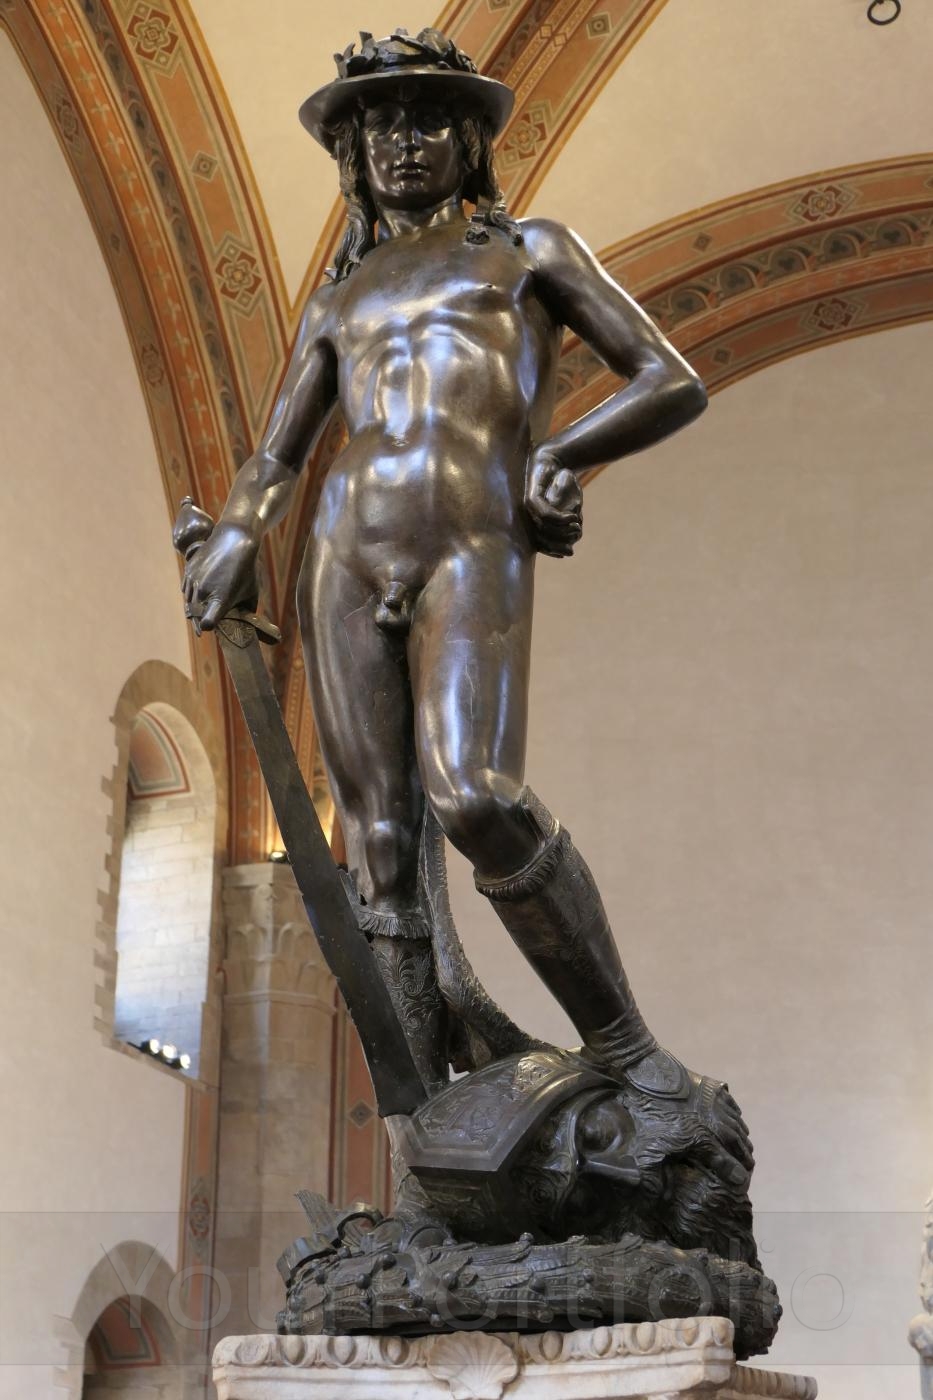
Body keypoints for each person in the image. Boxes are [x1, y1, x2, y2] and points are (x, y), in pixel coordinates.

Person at [182, 28, 751, 1186]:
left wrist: (563, 453)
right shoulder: (339, 295)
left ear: (470, 138)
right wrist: (239, 529)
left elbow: (669, 376)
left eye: (426, 119)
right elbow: (279, 452)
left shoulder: (528, 251)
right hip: (347, 547)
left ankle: (626, 1045)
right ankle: (421, 1149)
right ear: (353, 154)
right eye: (378, 126)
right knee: (382, 849)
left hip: (470, 539)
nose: (402, 142)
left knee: (475, 794)